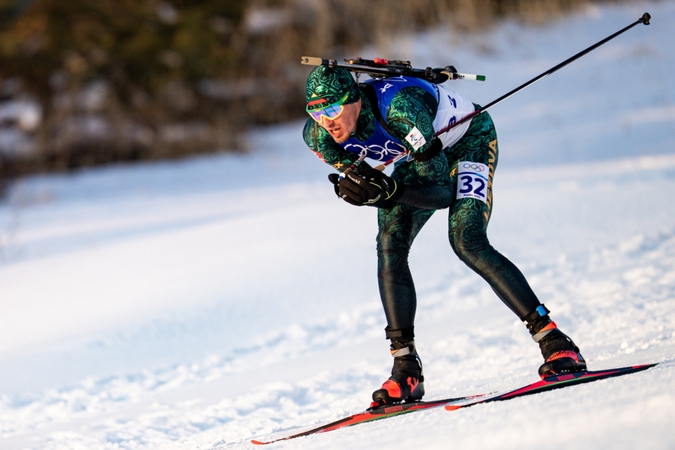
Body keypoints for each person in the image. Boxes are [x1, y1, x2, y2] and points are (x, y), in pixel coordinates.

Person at [302, 64, 586, 408]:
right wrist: (364, 189)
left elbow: (442, 192)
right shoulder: (318, 137)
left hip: (469, 143)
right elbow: (367, 179)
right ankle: (405, 366)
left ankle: (555, 341)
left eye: (332, 109)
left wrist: (390, 190)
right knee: (390, 246)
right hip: (420, 154)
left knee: (467, 240)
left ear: (355, 100)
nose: (326, 121)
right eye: (316, 112)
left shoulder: (401, 111)